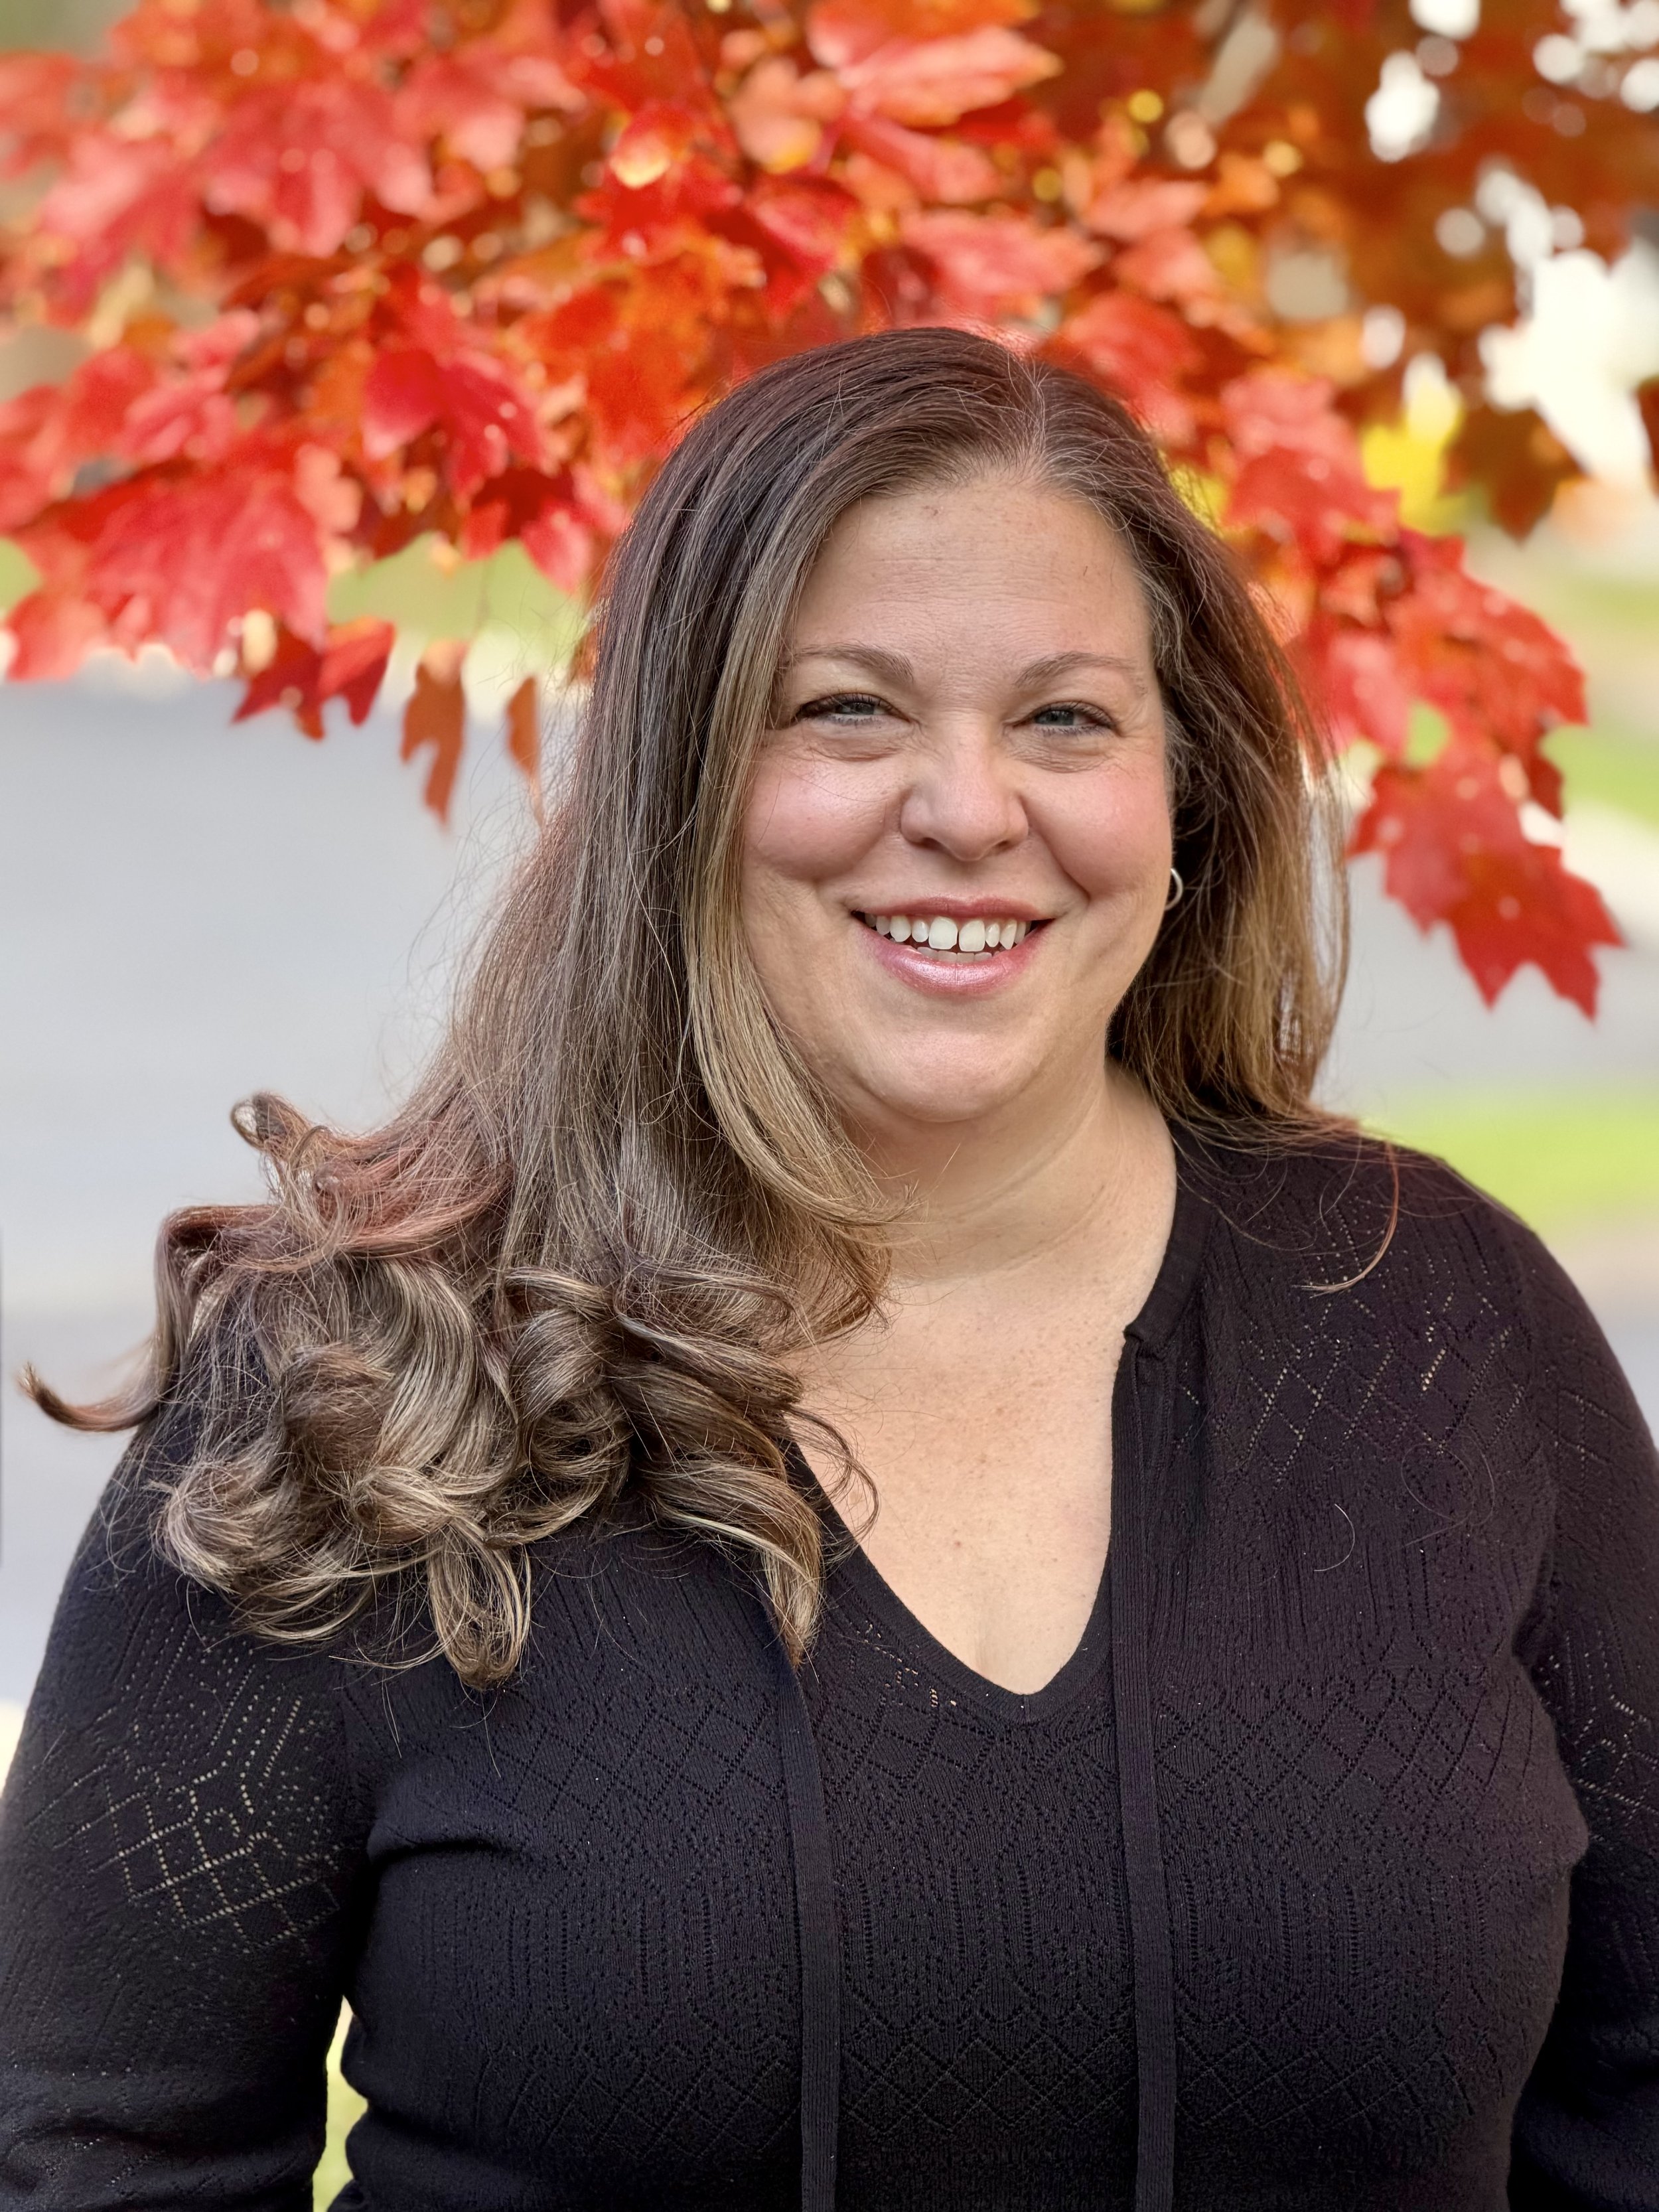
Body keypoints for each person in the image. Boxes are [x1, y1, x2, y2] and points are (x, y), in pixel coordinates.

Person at [1, 326, 1655, 2212]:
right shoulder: (361, 1382)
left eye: (1064, 719)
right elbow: (102, 2156)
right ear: (678, 785)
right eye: (846, 711)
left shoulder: (1439, 1323)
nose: (967, 808)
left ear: (1180, 796)